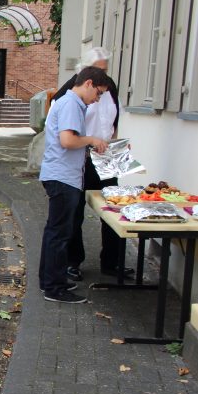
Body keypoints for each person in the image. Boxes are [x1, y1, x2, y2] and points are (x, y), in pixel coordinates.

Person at [50, 47, 131, 281]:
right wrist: (89, 143)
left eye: (106, 69)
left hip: (106, 156)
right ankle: (73, 261)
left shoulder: (109, 88)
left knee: (113, 206)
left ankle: (112, 261)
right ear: (86, 72)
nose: (104, 74)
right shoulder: (70, 93)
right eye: (100, 69)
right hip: (81, 156)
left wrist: (115, 144)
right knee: (75, 211)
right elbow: (63, 132)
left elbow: (114, 121)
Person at [39, 66, 111, 304]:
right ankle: (55, 288)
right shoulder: (71, 103)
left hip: (61, 175)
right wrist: (92, 140)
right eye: (99, 93)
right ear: (88, 83)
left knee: (54, 232)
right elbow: (68, 140)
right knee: (60, 234)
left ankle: (50, 281)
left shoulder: (70, 102)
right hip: (63, 177)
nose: (98, 99)